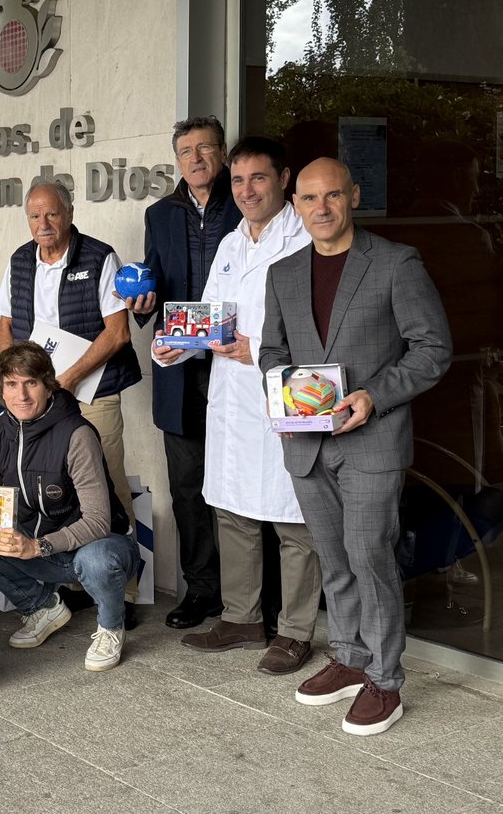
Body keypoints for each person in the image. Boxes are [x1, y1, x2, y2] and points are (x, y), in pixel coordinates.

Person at [260, 157, 452, 735]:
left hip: (373, 441)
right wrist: (285, 394)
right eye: (309, 198)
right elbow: (271, 352)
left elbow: (432, 348)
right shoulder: (283, 273)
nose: (321, 208)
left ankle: (385, 681)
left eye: (333, 196)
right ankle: (349, 656)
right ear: (295, 204)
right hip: (307, 443)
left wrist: (374, 395)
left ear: (354, 196)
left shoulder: (395, 263)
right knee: (334, 557)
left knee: (369, 556)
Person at [154, 137, 321, 675]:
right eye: (239, 181)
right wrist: (177, 344)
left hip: (283, 395)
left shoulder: (305, 239)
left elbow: (320, 326)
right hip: (231, 398)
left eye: (259, 178)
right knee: (233, 512)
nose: (247, 191)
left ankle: (295, 630)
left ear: (284, 180)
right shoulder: (230, 244)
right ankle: (241, 617)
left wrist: (260, 348)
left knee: (295, 521)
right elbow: (212, 318)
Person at [0, 178, 142, 627]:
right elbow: (5, 325)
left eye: (52, 214)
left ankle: (122, 589)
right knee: (53, 487)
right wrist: (13, 378)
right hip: (39, 398)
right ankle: (76, 582)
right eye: (35, 215)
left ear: (70, 213)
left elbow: (118, 332)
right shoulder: (20, 261)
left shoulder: (99, 257)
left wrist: (69, 379)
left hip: (93, 391)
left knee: (107, 484)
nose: (43, 223)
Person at [126, 115, 242, 629]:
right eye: (185, 152)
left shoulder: (244, 204)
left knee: (242, 483)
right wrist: (143, 304)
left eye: (205, 148)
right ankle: (202, 590)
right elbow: (153, 283)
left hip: (235, 364)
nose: (195, 159)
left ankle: (253, 596)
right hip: (180, 371)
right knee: (188, 486)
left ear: (222, 152)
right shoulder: (160, 214)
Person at [0, 342, 140, 672]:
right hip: (37, 548)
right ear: (1, 390)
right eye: (12, 384)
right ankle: (42, 607)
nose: (22, 395)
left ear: (49, 385)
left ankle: (111, 627)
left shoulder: (76, 434)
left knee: (98, 560)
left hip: (94, 547)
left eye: (31, 383)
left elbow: (98, 521)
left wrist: (38, 546)